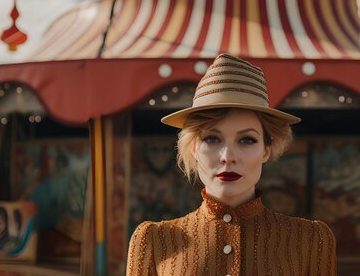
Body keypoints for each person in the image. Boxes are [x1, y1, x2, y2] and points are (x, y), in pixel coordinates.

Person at [126, 54, 336, 275]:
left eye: (247, 140)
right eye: (212, 138)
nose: (228, 156)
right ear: (194, 148)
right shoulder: (154, 241)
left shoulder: (311, 241)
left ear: (266, 149)